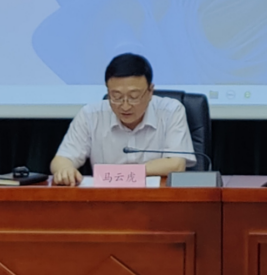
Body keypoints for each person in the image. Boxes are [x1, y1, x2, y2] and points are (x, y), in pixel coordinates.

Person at [51, 53, 196, 186]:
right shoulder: (90, 115)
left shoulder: (171, 111)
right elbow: (61, 160)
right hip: (106, 200)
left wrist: (122, 174)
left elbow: (176, 164)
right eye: (116, 97)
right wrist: (65, 170)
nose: (125, 106)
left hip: (159, 199)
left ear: (150, 91)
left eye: (134, 97)